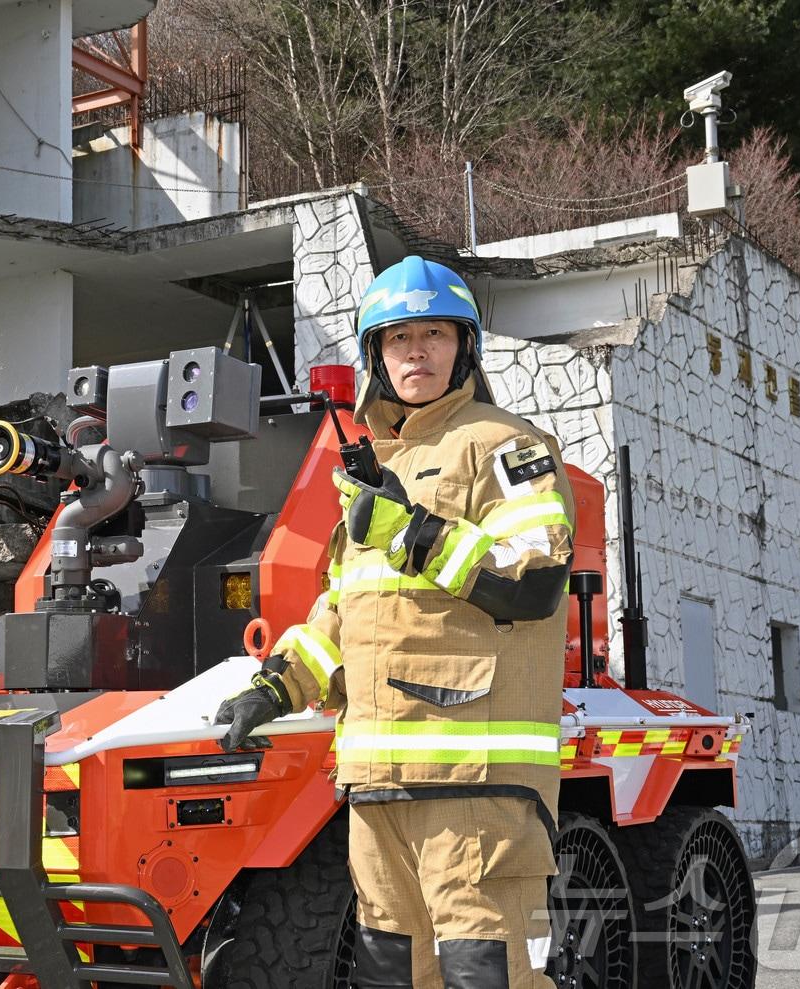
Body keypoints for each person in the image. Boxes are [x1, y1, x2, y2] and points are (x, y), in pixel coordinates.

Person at [214, 255, 575, 989]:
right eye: (398, 337)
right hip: (378, 787)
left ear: (464, 347)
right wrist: (279, 685)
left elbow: (533, 579)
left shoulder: (505, 445)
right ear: (376, 357)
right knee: (391, 977)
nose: (416, 351)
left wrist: (414, 532)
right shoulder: (378, 474)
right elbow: (346, 610)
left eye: (435, 333)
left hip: (476, 781)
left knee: (487, 973)